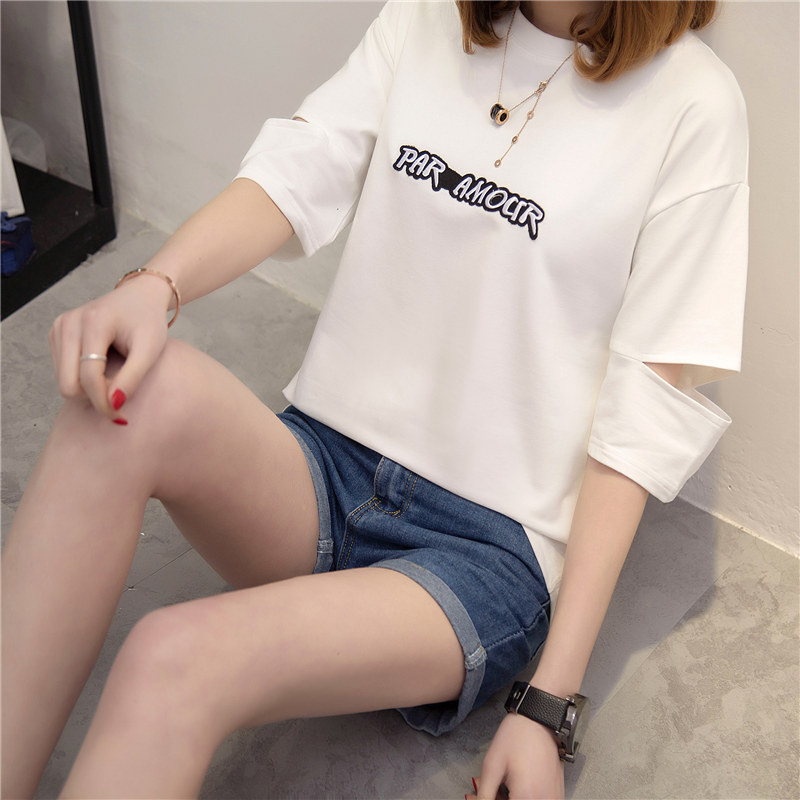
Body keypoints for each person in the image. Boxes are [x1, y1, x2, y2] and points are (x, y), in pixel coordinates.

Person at [1, 1, 748, 797]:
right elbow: (305, 164)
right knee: (121, 394)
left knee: (171, 658)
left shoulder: (693, 105)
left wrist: (545, 708)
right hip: (323, 467)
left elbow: (640, 421)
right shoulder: (429, 17)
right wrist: (153, 286)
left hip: (483, 552)